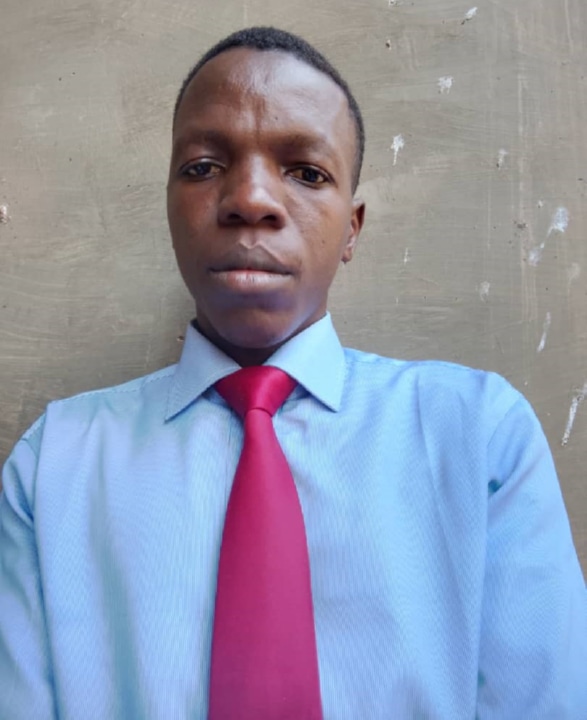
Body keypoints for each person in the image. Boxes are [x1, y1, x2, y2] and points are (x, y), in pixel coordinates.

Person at [1, 25, 586, 720]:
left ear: (352, 228)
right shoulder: (54, 464)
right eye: (203, 166)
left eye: (307, 172)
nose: (250, 199)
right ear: (168, 207)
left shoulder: (479, 437)